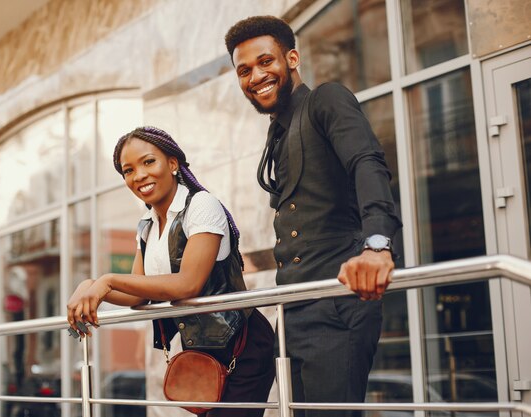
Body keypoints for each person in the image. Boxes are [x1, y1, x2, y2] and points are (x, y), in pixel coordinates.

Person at [224, 16, 403, 417]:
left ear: (292, 58)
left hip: (337, 306)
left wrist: (377, 245)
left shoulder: (327, 99)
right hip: (294, 310)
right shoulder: (278, 131)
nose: (256, 76)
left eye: (265, 61)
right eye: (244, 70)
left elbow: (367, 164)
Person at [66, 126, 275, 417]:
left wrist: (106, 281)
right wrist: (89, 285)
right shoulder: (147, 224)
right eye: (128, 170)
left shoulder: (201, 205)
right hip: (203, 350)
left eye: (148, 162)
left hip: (244, 345)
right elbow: (137, 294)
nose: (139, 175)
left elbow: (188, 284)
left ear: (173, 164)